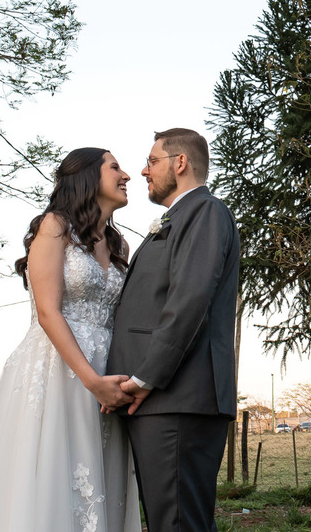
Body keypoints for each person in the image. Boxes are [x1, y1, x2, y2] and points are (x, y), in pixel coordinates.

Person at [0, 148, 143, 532]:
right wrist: (91, 381)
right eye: (115, 167)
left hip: (106, 373)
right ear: (86, 176)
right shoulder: (54, 227)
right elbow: (48, 312)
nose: (126, 174)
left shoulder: (119, 245)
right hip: (59, 370)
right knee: (50, 476)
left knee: (100, 480)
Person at [107, 128, 240, 532]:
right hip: (163, 401)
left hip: (179, 397)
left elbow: (189, 299)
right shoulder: (179, 216)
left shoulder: (206, 211)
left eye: (152, 161)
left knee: (179, 524)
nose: (143, 171)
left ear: (179, 163)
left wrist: (148, 377)